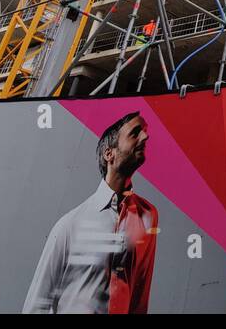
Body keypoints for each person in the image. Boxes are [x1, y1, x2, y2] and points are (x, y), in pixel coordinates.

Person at [22, 110, 158, 313]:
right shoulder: (69, 225)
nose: (145, 137)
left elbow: (140, 296)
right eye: (135, 133)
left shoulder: (148, 216)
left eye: (144, 132)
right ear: (109, 154)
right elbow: (37, 304)